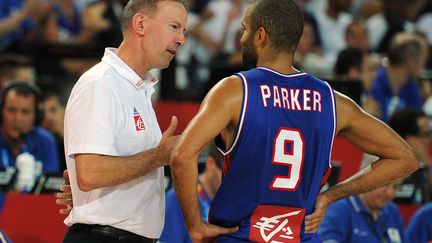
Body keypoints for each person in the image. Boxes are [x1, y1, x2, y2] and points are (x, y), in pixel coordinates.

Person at [170, 0, 418, 242]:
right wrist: (331, 196)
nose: (242, 38)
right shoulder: (333, 101)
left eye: (245, 29)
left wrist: (195, 226)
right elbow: (405, 158)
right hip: (300, 236)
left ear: (261, 36)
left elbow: (182, 155)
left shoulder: (235, 90)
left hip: (241, 235)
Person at [62, 0, 187, 242]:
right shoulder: (100, 83)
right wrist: (158, 156)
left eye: (184, 31)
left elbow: (94, 178)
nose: (181, 39)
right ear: (140, 23)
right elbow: (90, 174)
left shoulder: (137, 88)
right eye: (174, 27)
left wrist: (84, 198)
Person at [318, 158, 405, 243]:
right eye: (385, 184)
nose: (389, 193)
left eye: (396, 186)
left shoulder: (392, 211)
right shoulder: (338, 211)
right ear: (364, 179)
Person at [160, 143, 223, 243]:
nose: (231, 179)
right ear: (210, 163)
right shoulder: (178, 199)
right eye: (225, 171)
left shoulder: (231, 203)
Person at [40, 92, 66, 171]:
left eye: (53, 110)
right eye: (44, 112)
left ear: (65, 109)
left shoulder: (78, 141)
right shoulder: (41, 144)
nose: (48, 117)